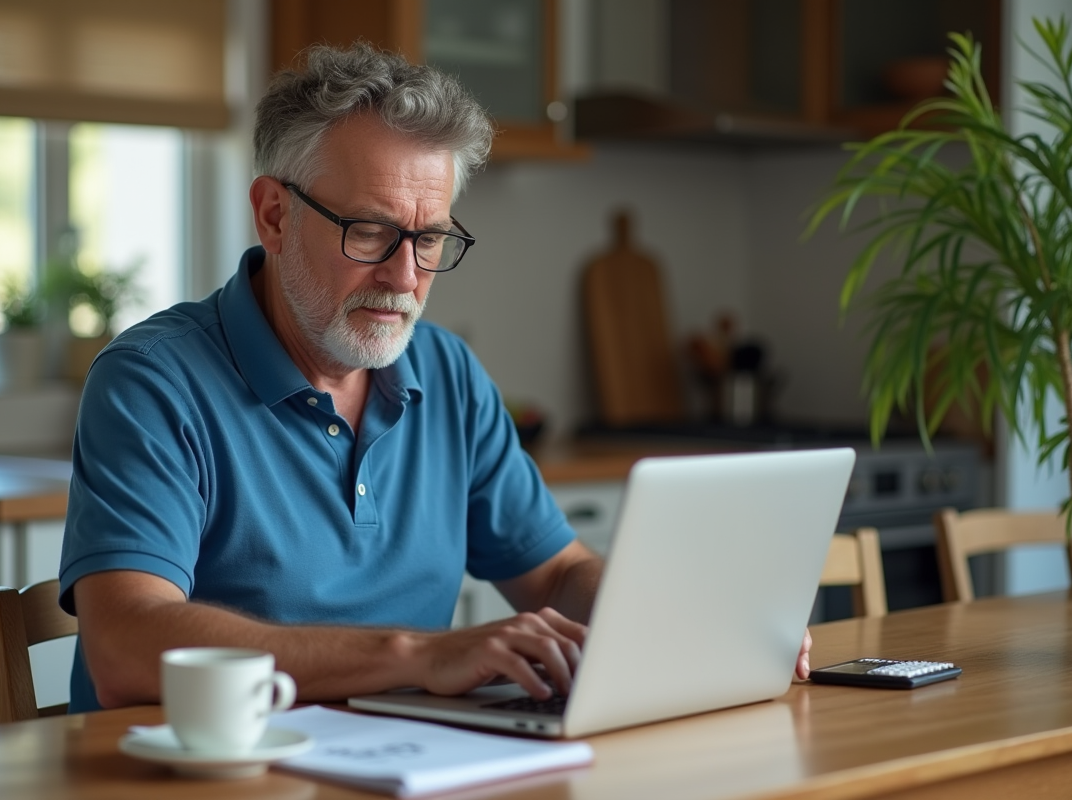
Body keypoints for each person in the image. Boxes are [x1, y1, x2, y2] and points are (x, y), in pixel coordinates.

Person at [58, 43, 812, 713]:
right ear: (274, 215)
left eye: (430, 239)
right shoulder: (152, 383)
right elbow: (125, 647)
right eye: (372, 231)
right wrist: (415, 656)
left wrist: (697, 621)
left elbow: (555, 575)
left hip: (413, 762)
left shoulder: (444, 371)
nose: (405, 276)